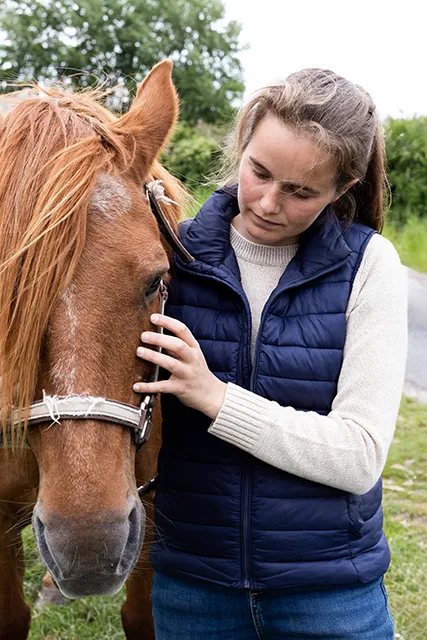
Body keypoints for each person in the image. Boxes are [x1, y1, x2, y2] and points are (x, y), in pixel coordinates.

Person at [133, 68, 407, 639]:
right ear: (242, 143)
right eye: (258, 171)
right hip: (193, 589)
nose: (266, 201)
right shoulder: (168, 255)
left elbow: (358, 457)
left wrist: (214, 397)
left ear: (342, 188)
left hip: (331, 595)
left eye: (301, 192)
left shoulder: (370, 266)